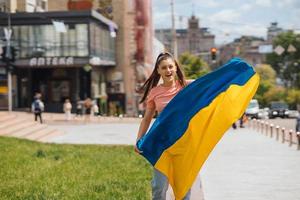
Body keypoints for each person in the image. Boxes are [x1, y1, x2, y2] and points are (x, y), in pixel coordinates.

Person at [135, 52, 192, 200]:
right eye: (164, 68)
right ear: (158, 71)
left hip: (183, 143)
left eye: (171, 67)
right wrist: (139, 139)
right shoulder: (155, 92)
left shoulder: (185, 87)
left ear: (175, 68)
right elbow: (147, 119)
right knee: (159, 187)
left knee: (183, 187)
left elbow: (207, 84)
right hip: (162, 144)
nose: (168, 70)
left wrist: (227, 77)